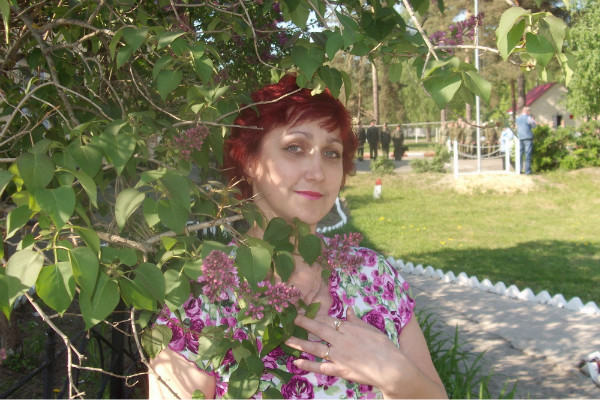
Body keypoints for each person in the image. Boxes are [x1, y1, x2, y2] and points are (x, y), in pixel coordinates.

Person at [147, 74, 447, 399]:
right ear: (249, 160)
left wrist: (395, 373)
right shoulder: (200, 295)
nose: (317, 172)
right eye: (294, 147)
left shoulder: (374, 276)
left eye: (331, 153)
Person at [515, 106, 536, 175]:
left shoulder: (518, 118)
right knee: (528, 154)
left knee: (520, 154)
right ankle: (527, 171)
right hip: (527, 137)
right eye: (529, 111)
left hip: (520, 137)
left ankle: (519, 170)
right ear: (527, 111)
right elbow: (533, 125)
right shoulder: (528, 118)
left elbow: (516, 126)